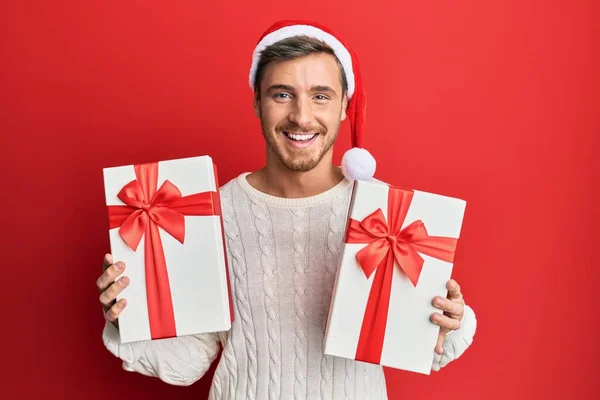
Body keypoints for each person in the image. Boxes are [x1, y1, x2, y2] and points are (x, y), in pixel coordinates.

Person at [96, 20, 477, 400]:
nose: (301, 116)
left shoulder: (388, 217)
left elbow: (423, 345)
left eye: (321, 96)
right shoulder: (205, 216)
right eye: (282, 95)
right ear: (257, 101)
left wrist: (447, 322)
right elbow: (186, 363)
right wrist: (126, 316)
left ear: (345, 105)